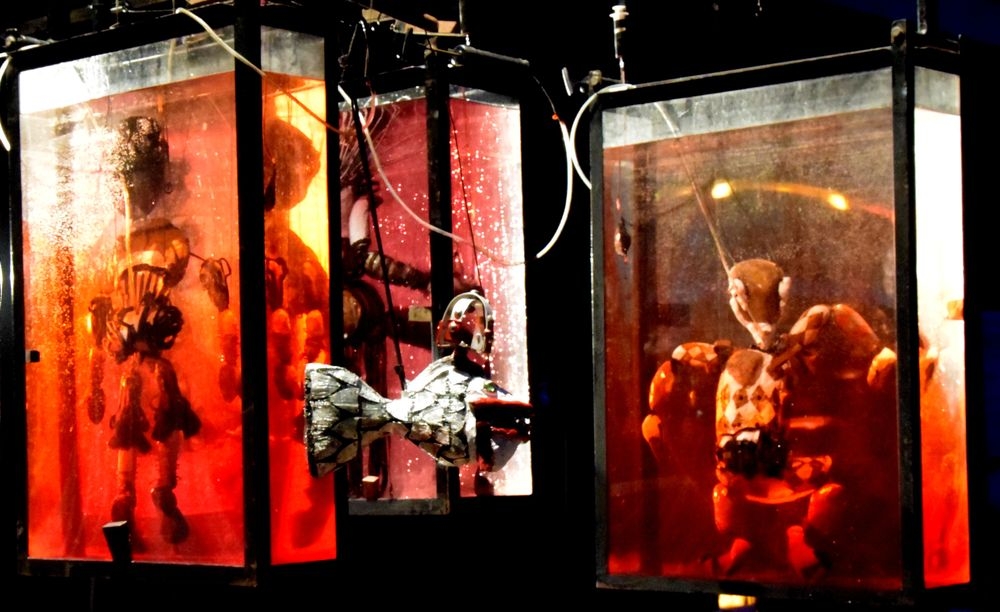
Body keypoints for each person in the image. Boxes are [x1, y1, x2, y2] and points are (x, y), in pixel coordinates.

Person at [643, 258, 897, 579]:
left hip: (773, 471)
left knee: (830, 480)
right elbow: (679, 358)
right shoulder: (729, 355)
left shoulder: (777, 350)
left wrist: (877, 353)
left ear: (739, 296)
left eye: (735, 295)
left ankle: (795, 538)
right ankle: (758, 540)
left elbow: (831, 314)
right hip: (737, 472)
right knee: (738, 491)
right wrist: (659, 415)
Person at [303, 290, 531, 494]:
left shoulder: (496, 442)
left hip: (430, 423)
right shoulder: (485, 395)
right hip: (427, 412)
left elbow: (484, 460)